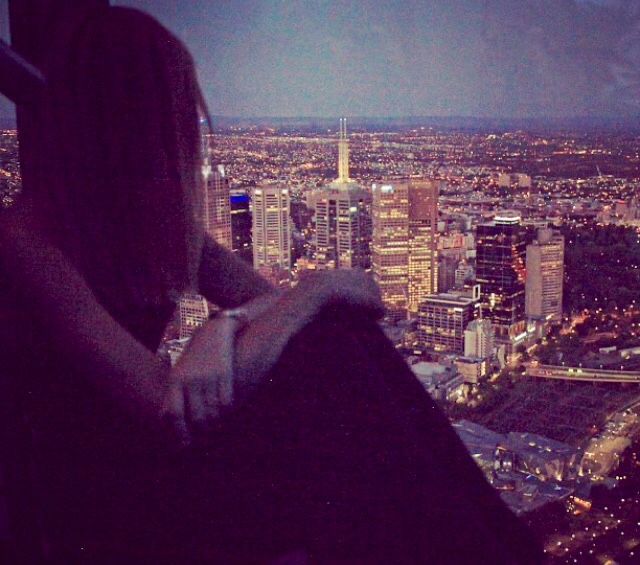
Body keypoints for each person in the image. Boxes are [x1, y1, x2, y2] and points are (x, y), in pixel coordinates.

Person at [0, 6, 542, 563]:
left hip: (155, 463)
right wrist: (302, 294)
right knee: (329, 354)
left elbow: (350, 301)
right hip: (91, 502)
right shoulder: (27, 237)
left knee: (334, 340)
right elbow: (163, 403)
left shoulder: (153, 226)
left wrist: (228, 326)